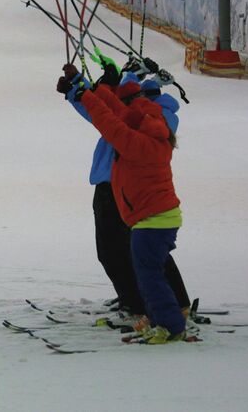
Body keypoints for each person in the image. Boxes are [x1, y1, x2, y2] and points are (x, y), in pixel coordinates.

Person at [57, 58, 190, 321]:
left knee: (117, 252)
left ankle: (142, 303)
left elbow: (107, 116)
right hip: (123, 190)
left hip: (123, 191)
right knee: (143, 254)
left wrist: (87, 88)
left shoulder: (150, 121)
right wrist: (77, 88)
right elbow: (105, 110)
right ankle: (158, 301)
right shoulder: (148, 116)